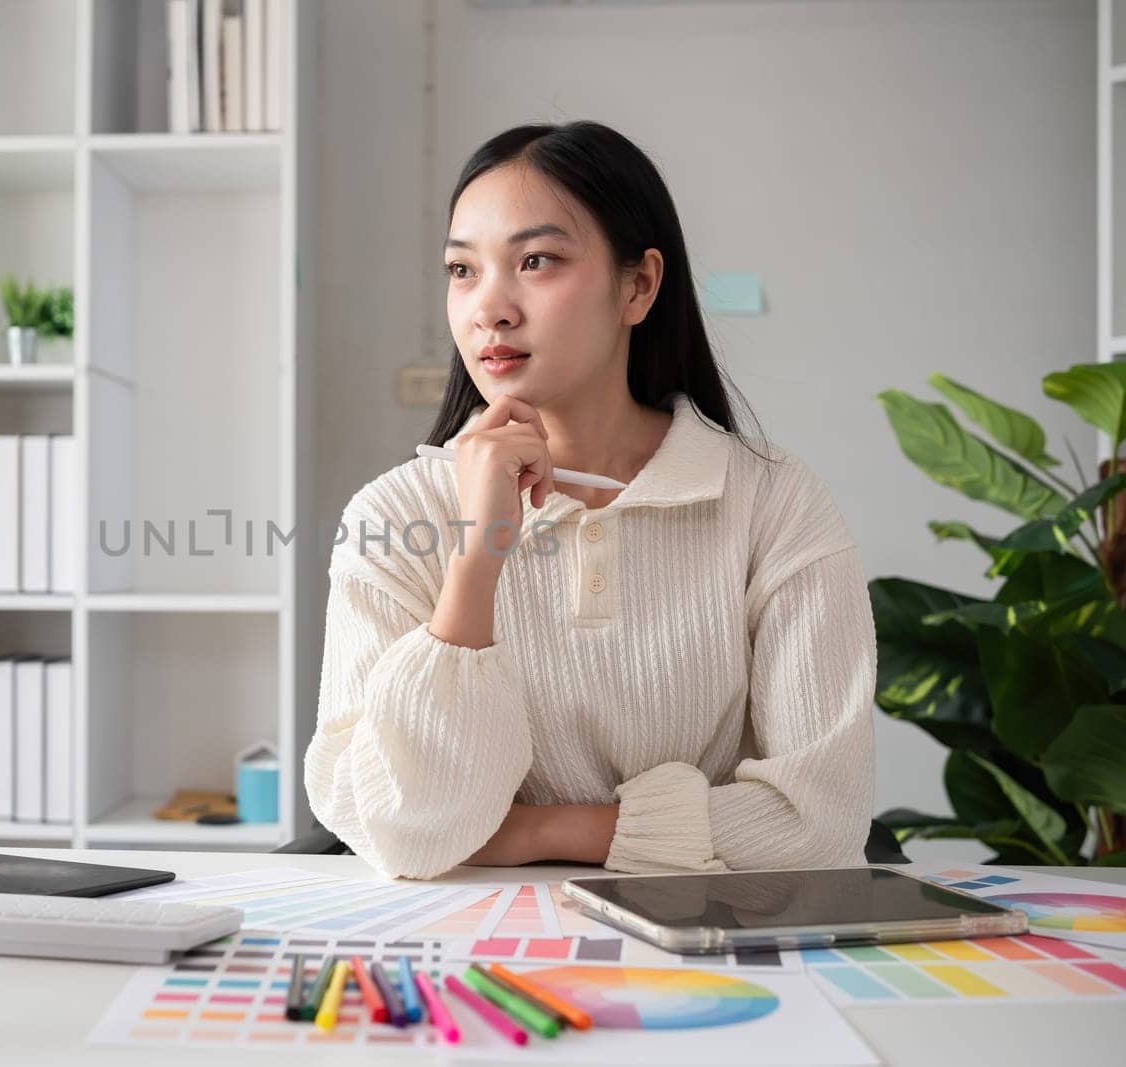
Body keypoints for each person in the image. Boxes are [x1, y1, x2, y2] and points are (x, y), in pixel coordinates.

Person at [303, 121, 876, 880]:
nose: (490, 309)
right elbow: (407, 829)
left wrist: (541, 832)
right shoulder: (391, 516)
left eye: (535, 260)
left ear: (637, 285)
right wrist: (477, 559)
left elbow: (820, 822)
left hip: (708, 945)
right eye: (462, 270)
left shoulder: (772, 501)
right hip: (461, 947)